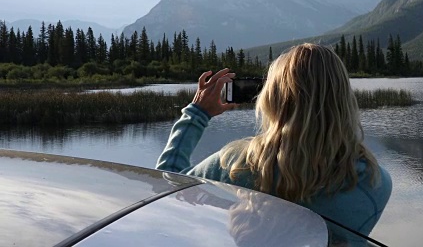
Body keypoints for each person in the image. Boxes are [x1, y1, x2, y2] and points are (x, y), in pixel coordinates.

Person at [156, 43, 392, 243]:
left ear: (273, 99)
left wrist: (196, 113)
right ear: (344, 99)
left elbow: (165, 187)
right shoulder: (374, 183)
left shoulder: (234, 164)